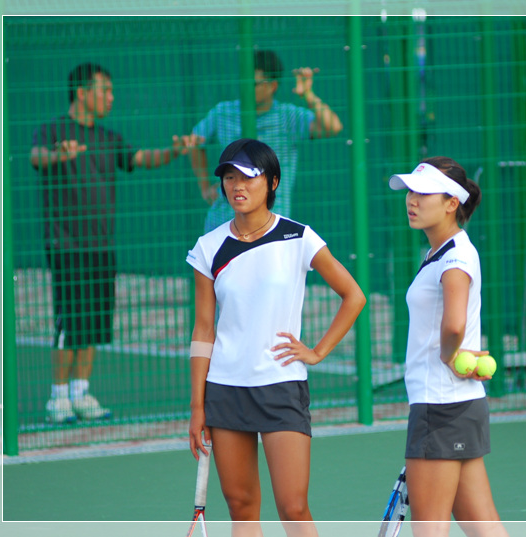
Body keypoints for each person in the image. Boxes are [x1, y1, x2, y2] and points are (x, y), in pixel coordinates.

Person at [186, 138, 365, 536]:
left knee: (294, 508)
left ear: (272, 182)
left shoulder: (299, 238)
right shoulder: (208, 248)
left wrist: (317, 351)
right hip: (225, 390)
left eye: (248, 177)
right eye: (229, 177)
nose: (237, 186)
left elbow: (354, 296)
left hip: (281, 386)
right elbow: (204, 330)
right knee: (242, 508)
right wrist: (198, 405)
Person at [30, 62, 202, 424]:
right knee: (70, 322)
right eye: (104, 90)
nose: (111, 97)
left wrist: (174, 151)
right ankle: (58, 397)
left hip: (102, 246)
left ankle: (81, 393)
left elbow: (141, 159)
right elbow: (37, 157)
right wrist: (60, 154)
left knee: (92, 321)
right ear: (82, 93)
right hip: (66, 245)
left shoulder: (108, 138)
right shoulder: (53, 130)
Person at [388, 157, 510, 537]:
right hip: (462, 405)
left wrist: (448, 356)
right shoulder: (446, 252)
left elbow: (454, 324)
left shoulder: (454, 258)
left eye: (424, 194)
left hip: (439, 408)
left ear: (451, 203)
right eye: (410, 191)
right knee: (484, 526)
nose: (412, 200)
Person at [191, 49, 343, 233]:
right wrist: (205, 187)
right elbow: (194, 142)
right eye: (244, 82)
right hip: (224, 223)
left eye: (254, 84)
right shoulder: (222, 112)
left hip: (269, 227)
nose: (247, 89)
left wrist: (308, 95)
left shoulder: (287, 116)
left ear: (272, 86)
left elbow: (332, 127)